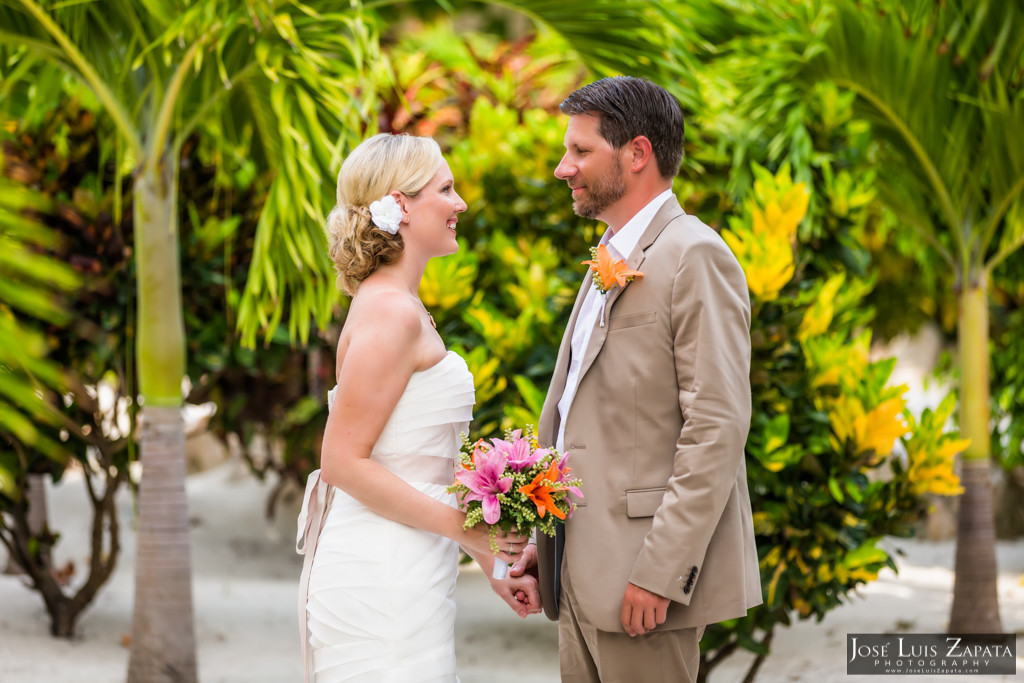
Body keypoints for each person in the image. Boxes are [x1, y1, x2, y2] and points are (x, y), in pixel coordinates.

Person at [510, 76, 762, 682]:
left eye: (580, 151)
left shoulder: (694, 253)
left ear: (638, 153)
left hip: (640, 579)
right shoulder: (611, 252)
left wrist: (660, 571)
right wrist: (548, 542)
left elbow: (717, 427)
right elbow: (583, 417)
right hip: (577, 566)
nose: (561, 167)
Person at [295, 133, 535, 683]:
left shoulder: (400, 305)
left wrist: (487, 556)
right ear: (401, 205)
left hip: (408, 557)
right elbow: (343, 461)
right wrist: (468, 531)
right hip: (381, 570)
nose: (460, 204)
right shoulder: (390, 313)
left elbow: (412, 456)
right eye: (446, 189)